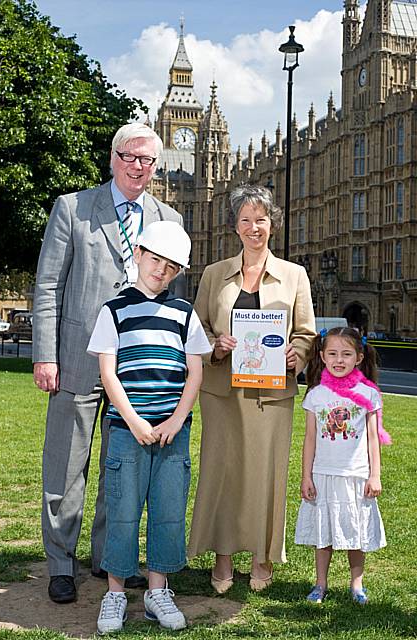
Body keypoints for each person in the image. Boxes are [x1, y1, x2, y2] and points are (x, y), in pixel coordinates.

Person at [33, 123, 185, 604]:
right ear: (113, 157)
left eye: (148, 161)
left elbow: (174, 297)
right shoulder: (73, 208)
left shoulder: (168, 216)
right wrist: (45, 355)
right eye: (130, 157)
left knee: (118, 467)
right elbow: (47, 287)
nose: (139, 167)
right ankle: (61, 563)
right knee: (66, 464)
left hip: (138, 369)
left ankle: (107, 559)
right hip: (77, 359)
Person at [187, 184, 316, 593]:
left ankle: (263, 557)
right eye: (245, 219)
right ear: (235, 227)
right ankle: (223, 557)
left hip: (273, 393)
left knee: (267, 475)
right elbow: (197, 329)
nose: (253, 227)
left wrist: (297, 353)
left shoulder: (295, 276)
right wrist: (215, 346)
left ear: (272, 225)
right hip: (223, 392)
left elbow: (305, 332)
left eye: (260, 219)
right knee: (222, 473)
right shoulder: (213, 275)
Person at [87, 221, 211, 634]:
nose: (161, 270)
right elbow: (109, 374)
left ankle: (158, 592)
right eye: (155, 259)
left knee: (169, 512)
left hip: (174, 432)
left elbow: (195, 373)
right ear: (138, 254)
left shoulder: (184, 314)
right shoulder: (114, 311)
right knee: (122, 513)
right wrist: (134, 419)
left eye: (171, 266)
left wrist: (177, 419)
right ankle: (116, 594)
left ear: (179, 272)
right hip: (127, 430)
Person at [295, 327, 391, 604]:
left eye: (346, 354)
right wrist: (306, 477)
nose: (339, 360)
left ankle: (357, 584)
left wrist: (375, 475)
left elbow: (373, 439)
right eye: (333, 354)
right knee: (323, 533)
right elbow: (310, 439)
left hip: (356, 476)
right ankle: (320, 584)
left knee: (355, 533)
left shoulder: (368, 395)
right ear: (322, 356)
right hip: (324, 474)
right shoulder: (316, 395)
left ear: (359, 357)